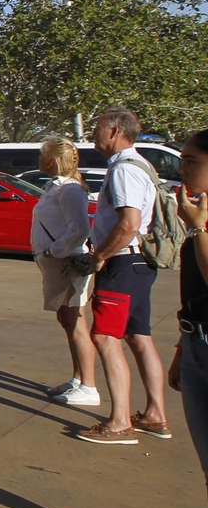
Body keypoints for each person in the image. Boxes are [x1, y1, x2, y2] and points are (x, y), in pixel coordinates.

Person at [80, 106, 170, 444]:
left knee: (105, 337)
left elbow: (129, 224)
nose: (94, 136)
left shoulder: (123, 170)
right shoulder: (141, 164)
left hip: (122, 263)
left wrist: (100, 255)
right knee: (138, 336)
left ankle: (120, 422)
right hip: (138, 264)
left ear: (115, 131)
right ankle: (155, 414)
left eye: (98, 129)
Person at [166, 129, 208, 508]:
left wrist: (198, 229)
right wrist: (183, 345)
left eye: (191, 160)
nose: (182, 168)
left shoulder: (201, 221)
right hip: (198, 346)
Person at [35, 136, 100, 406]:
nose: (38, 160)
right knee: (66, 318)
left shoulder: (70, 189)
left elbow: (80, 229)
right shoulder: (55, 186)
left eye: (41, 155)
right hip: (56, 262)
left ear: (51, 160)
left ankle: (89, 386)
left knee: (75, 321)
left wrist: (55, 250)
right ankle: (77, 378)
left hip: (67, 262)